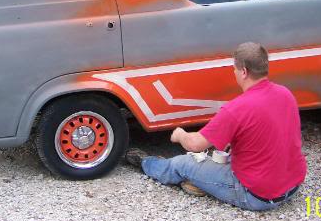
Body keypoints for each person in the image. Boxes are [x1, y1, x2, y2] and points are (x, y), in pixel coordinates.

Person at [126, 42, 307, 211]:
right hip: (291, 187)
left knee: (185, 163)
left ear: (243, 71)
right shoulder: (285, 94)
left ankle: (146, 162)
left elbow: (196, 144)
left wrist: (180, 134)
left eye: (234, 69)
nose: (234, 73)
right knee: (220, 159)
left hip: (257, 196)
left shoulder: (237, 108)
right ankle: (201, 182)